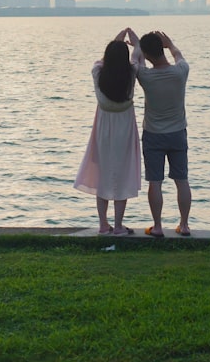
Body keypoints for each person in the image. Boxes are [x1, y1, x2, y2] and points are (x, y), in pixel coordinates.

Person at [73, 28, 141, 235]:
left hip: (103, 126)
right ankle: (119, 225)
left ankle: (103, 224)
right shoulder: (131, 73)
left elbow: (103, 61)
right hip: (124, 127)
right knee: (122, 172)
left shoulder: (98, 72)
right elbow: (138, 57)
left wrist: (116, 41)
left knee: (102, 174)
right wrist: (135, 44)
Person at [134, 30, 192, 237]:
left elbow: (138, 61)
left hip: (153, 135)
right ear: (162, 48)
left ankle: (157, 226)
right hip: (178, 133)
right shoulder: (180, 72)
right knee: (182, 180)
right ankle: (184, 225)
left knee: (155, 182)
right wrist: (171, 44)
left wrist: (136, 46)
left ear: (148, 55)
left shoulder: (145, 76)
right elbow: (178, 56)